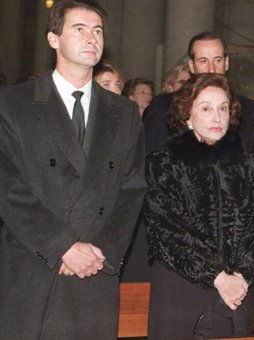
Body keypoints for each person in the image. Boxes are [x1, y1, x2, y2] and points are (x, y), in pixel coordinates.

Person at [0, 1, 147, 338]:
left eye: (97, 31)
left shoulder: (123, 113)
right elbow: (8, 186)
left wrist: (102, 252)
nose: (91, 38)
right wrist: (62, 245)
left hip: (94, 269)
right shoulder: (13, 104)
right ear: (53, 38)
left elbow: (132, 189)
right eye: (79, 29)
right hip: (35, 266)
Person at [143, 73, 254, 339]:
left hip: (236, 295)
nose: (217, 117)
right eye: (206, 108)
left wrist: (242, 276)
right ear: (187, 116)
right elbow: (167, 228)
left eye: (223, 108)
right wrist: (217, 276)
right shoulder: (163, 166)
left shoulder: (252, 167)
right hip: (181, 293)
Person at [143, 31, 254, 155]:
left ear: (226, 63)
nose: (211, 69)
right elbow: (153, 159)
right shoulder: (164, 106)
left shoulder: (247, 109)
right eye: (203, 61)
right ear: (192, 66)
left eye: (217, 60)